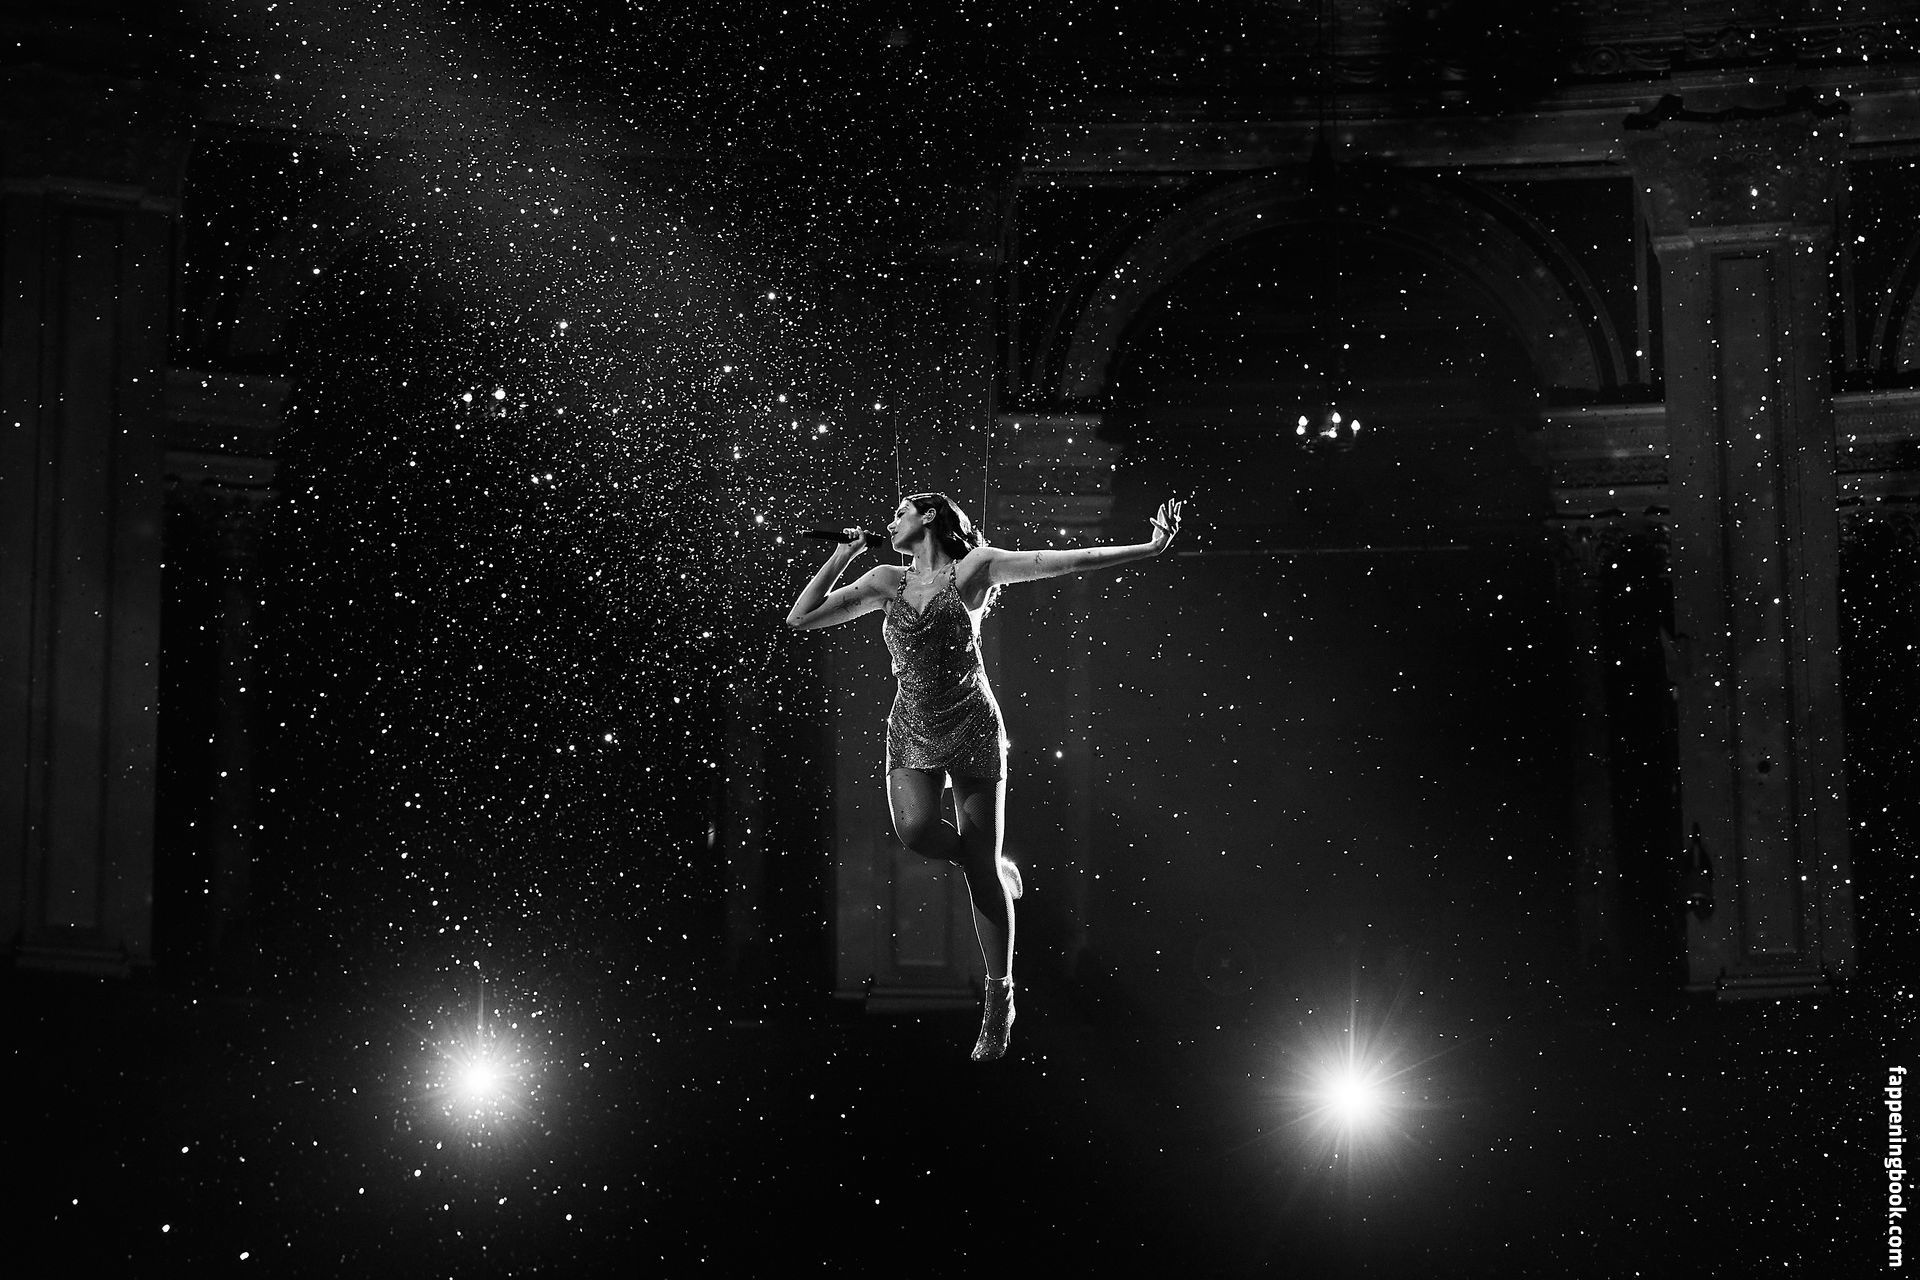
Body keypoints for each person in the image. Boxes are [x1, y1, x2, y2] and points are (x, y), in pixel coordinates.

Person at [786, 491, 1184, 1060]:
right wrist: (841, 556)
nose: (890, 522)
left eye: (900, 513)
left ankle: (1001, 996)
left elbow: (1059, 562)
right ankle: (991, 861)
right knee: (915, 832)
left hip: (972, 725)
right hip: (913, 728)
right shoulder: (884, 581)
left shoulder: (975, 568)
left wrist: (1149, 548)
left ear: (928, 517)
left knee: (978, 872)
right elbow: (801, 618)